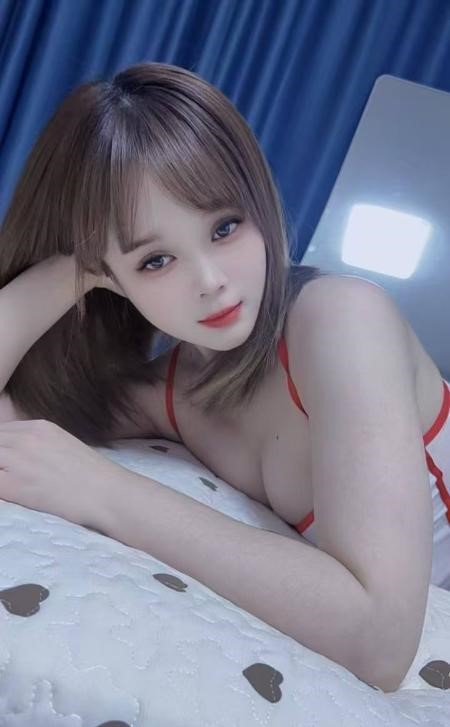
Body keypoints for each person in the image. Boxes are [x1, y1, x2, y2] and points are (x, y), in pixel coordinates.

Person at [0, 61, 449, 693]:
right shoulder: (173, 393)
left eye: (225, 227)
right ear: (112, 279)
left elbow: (380, 644)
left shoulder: (342, 318)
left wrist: (103, 490)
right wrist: (62, 274)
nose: (211, 281)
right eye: (156, 260)